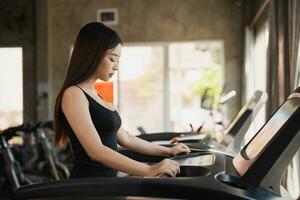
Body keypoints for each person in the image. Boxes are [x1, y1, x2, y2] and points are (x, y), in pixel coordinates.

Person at [53, 22, 191, 179]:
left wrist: (168, 150)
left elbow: (127, 139)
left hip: (110, 182)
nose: (116, 67)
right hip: (90, 187)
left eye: (118, 60)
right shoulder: (74, 94)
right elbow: (96, 150)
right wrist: (148, 170)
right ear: (93, 54)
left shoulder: (95, 94)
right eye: (112, 59)